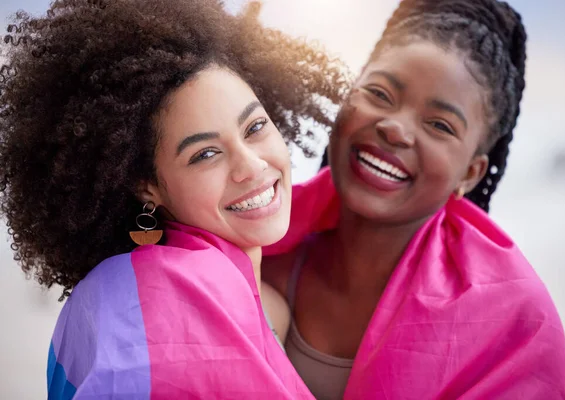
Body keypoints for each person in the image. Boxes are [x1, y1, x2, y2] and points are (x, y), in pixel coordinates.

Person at [0, 0, 346, 397]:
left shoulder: (267, 306)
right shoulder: (156, 306)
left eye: (254, 127)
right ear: (147, 186)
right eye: (205, 154)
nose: (250, 166)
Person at [263, 0, 565, 398]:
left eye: (439, 125)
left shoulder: (513, 322)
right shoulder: (253, 246)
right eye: (379, 93)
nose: (395, 129)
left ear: (471, 173)